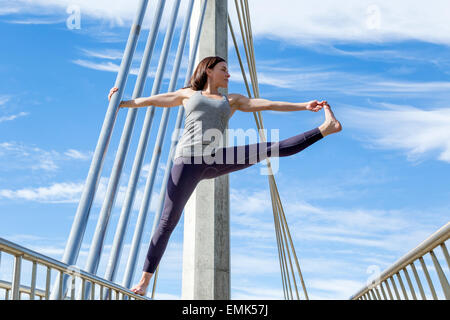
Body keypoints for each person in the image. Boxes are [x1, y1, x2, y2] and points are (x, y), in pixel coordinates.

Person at [108, 56, 342, 295]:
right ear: (208, 71)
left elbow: (269, 104)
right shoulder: (188, 94)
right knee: (168, 222)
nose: (229, 74)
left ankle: (326, 129)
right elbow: (152, 101)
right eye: (224, 70)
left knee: (268, 148)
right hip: (187, 162)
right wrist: (123, 102)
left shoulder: (231, 100)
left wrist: (303, 105)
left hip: (215, 159)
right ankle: (145, 281)